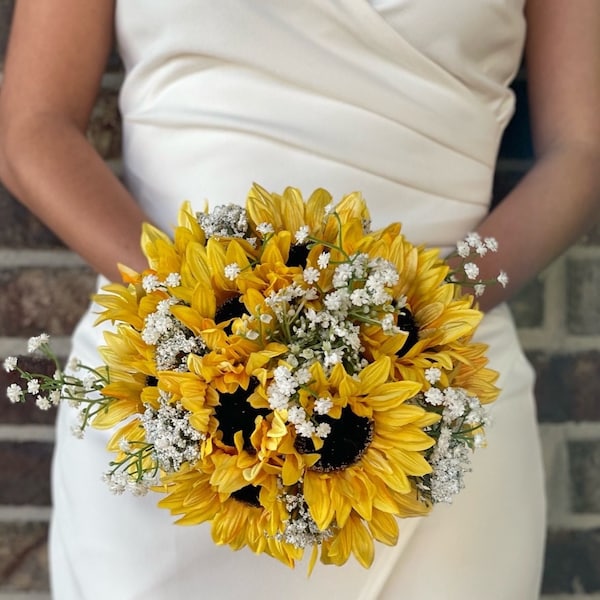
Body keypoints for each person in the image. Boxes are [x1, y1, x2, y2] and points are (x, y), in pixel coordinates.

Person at [0, 1, 599, 598]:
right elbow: (33, 127)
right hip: (168, 396)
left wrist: (420, 315)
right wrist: (194, 316)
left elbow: (583, 152)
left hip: (432, 398)